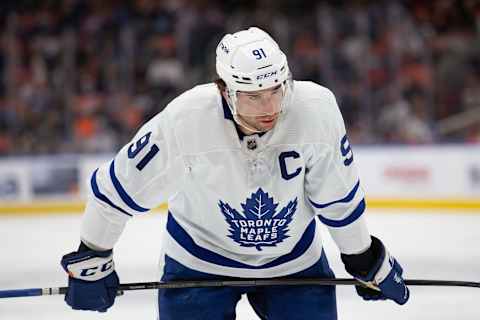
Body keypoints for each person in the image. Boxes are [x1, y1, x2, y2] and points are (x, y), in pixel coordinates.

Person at [61, 27, 409, 319]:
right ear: (225, 90)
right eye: (254, 97)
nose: (271, 108)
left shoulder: (315, 109)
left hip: (293, 265)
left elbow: (338, 199)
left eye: (276, 90)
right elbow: (117, 191)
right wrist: (92, 256)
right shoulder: (187, 119)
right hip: (199, 265)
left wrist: (363, 257)